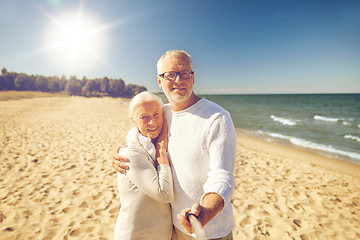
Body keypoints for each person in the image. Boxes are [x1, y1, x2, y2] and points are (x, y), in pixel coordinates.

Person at [112, 50, 236, 240]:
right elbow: (140, 133)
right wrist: (119, 150)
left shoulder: (216, 118)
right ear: (160, 81)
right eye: (170, 74)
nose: (178, 79)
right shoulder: (162, 113)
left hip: (210, 230)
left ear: (193, 78)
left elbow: (222, 176)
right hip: (174, 228)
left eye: (185, 73)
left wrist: (206, 211)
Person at [114, 91, 174, 240]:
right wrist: (161, 152)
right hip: (136, 235)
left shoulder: (159, 142)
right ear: (134, 120)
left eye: (156, 114)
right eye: (144, 117)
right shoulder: (130, 153)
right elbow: (164, 194)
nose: (152, 122)